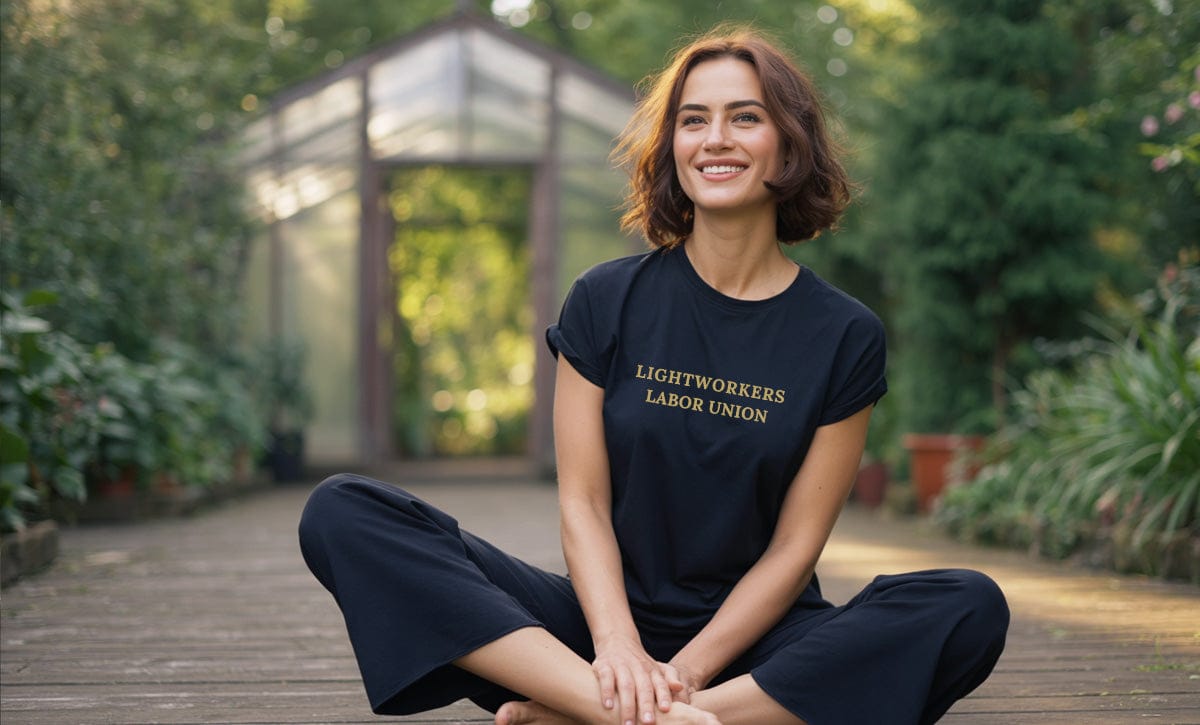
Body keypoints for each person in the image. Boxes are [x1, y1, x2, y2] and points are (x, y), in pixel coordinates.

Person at [299, 25, 1009, 725]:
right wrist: (616, 652)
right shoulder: (606, 300)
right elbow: (583, 501)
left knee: (969, 604)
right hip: (594, 636)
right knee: (345, 511)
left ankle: (633, 712)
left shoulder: (844, 334)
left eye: (746, 118)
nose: (715, 139)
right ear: (673, 145)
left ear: (790, 143)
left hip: (759, 647)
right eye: (693, 120)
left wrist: (684, 672)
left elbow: (795, 549)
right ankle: (622, 710)